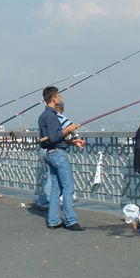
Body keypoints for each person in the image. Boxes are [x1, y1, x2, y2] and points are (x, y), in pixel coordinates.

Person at [38, 86, 84, 231]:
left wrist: (72, 141)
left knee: (56, 188)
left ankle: (54, 220)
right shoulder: (52, 116)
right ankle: (71, 221)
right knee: (68, 187)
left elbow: (51, 138)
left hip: (51, 153)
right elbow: (54, 137)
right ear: (53, 98)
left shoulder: (43, 116)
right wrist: (68, 130)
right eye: (59, 95)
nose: (60, 97)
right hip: (58, 154)